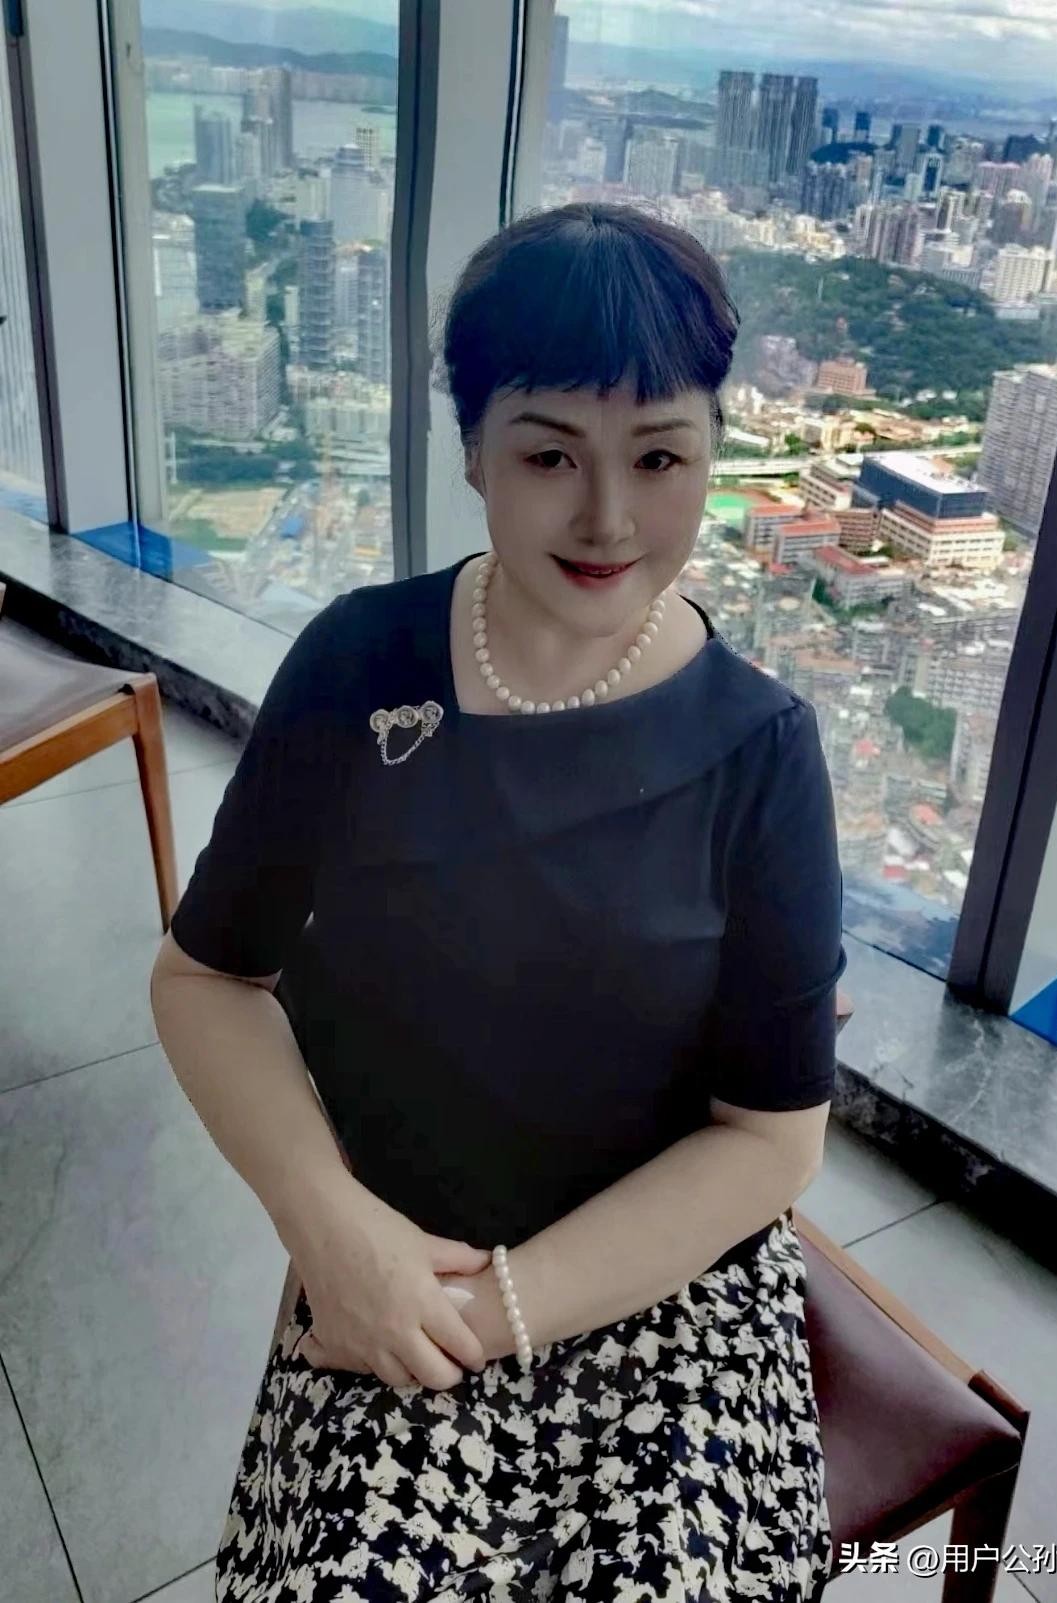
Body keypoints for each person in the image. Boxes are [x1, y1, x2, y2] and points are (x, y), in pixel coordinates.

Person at [151, 200, 845, 1602]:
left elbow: (768, 1141)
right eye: (548, 455)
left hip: (665, 1290)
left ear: (711, 452)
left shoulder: (761, 753)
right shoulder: (361, 664)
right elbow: (206, 978)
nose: (607, 518)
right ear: (472, 449)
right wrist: (325, 1222)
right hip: (395, 1260)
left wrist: (502, 1313)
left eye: (660, 456)